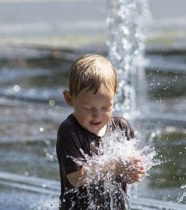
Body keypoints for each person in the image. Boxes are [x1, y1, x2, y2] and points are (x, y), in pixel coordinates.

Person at [56, 54, 145, 209]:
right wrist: (115, 166)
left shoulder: (121, 128)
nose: (97, 115)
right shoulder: (70, 132)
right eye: (88, 108)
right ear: (69, 98)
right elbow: (76, 178)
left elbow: (128, 174)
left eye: (106, 107)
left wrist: (133, 172)